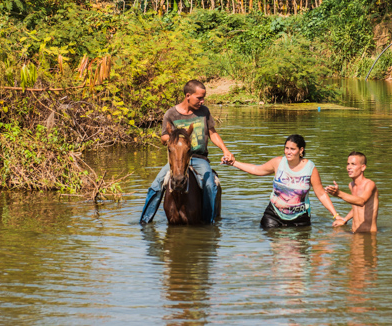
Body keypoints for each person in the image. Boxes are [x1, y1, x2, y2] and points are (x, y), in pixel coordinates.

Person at [140, 80, 234, 225]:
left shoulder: (204, 112)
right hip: (177, 159)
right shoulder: (171, 114)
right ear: (188, 95)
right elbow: (163, 137)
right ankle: (144, 222)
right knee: (156, 184)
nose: (202, 101)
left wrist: (226, 150)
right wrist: (175, 137)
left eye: (203, 98)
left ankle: (209, 222)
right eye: (199, 98)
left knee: (210, 184)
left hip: (199, 158)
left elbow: (212, 133)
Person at [224, 135, 341, 228]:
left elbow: (320, 194)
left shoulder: (310, 168)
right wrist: (234, 163)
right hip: (274, 215)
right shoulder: (278, 163)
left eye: (292, 149)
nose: (288, 152)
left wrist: (336, 216)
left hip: (300, 219)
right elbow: (257, 169)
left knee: (299, 254)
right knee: (276, 253)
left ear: (301, 150)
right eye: (286, 148)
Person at [327, 151, 379, 233]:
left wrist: (339, 194)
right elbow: (356, 207)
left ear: (363, 167)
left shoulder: (370, 184)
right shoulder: (351, 185)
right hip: (354, 233)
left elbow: (361, 201)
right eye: (348, 164)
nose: (349, 167)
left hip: (368, 236)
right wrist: (345, 219)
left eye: (353, 164)